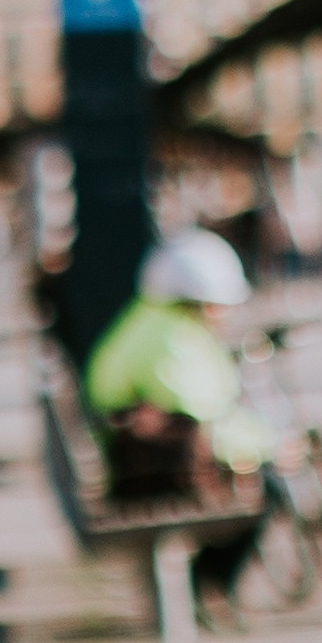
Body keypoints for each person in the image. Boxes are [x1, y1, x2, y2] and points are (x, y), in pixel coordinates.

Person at [84, 229, 274, 610]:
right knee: (267, 495)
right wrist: (267, 446)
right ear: (198, 299)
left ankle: (204, 590)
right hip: (151, 475)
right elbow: (203, 419)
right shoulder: (172, 340)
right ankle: (206, 590)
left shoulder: (149, 322)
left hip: (135, 466)